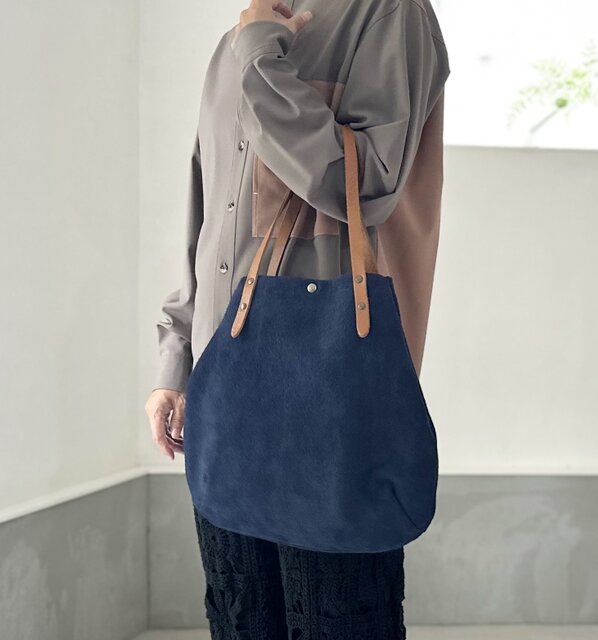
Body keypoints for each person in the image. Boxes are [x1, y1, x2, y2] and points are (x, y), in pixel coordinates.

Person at [144, 0, 450, 637]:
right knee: (240, 619)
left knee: (337, 621)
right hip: (219, 396)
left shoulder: (387, 15)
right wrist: (177, 360)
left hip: (326, 399)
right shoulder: (242, 36)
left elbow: (365, 185)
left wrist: (261, 56)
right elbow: (210, 214)